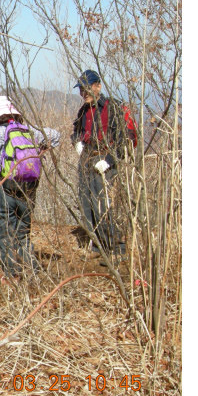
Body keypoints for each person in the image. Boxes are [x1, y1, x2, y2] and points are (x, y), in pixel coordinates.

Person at [0, 96, 60, 279]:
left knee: (5, 233)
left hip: (6, 187)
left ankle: (13, 274)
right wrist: (40, 149)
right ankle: (32, 271)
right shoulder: (29, 130)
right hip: (29, 189)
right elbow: (56, 136)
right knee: (23, 233)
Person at [71, 69, 136, 260]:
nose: (84, 94)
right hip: (86, 159)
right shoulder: (83, 110)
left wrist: (108, 161)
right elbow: (76, 130)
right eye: (81, 90)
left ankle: (117, 248)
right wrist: (77, 142)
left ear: (98, 86)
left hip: (106, 160)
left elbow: (125, 138)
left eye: (87, 88)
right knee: (86, 205)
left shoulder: (113, 107)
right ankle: (97, 247)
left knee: (104, 205)